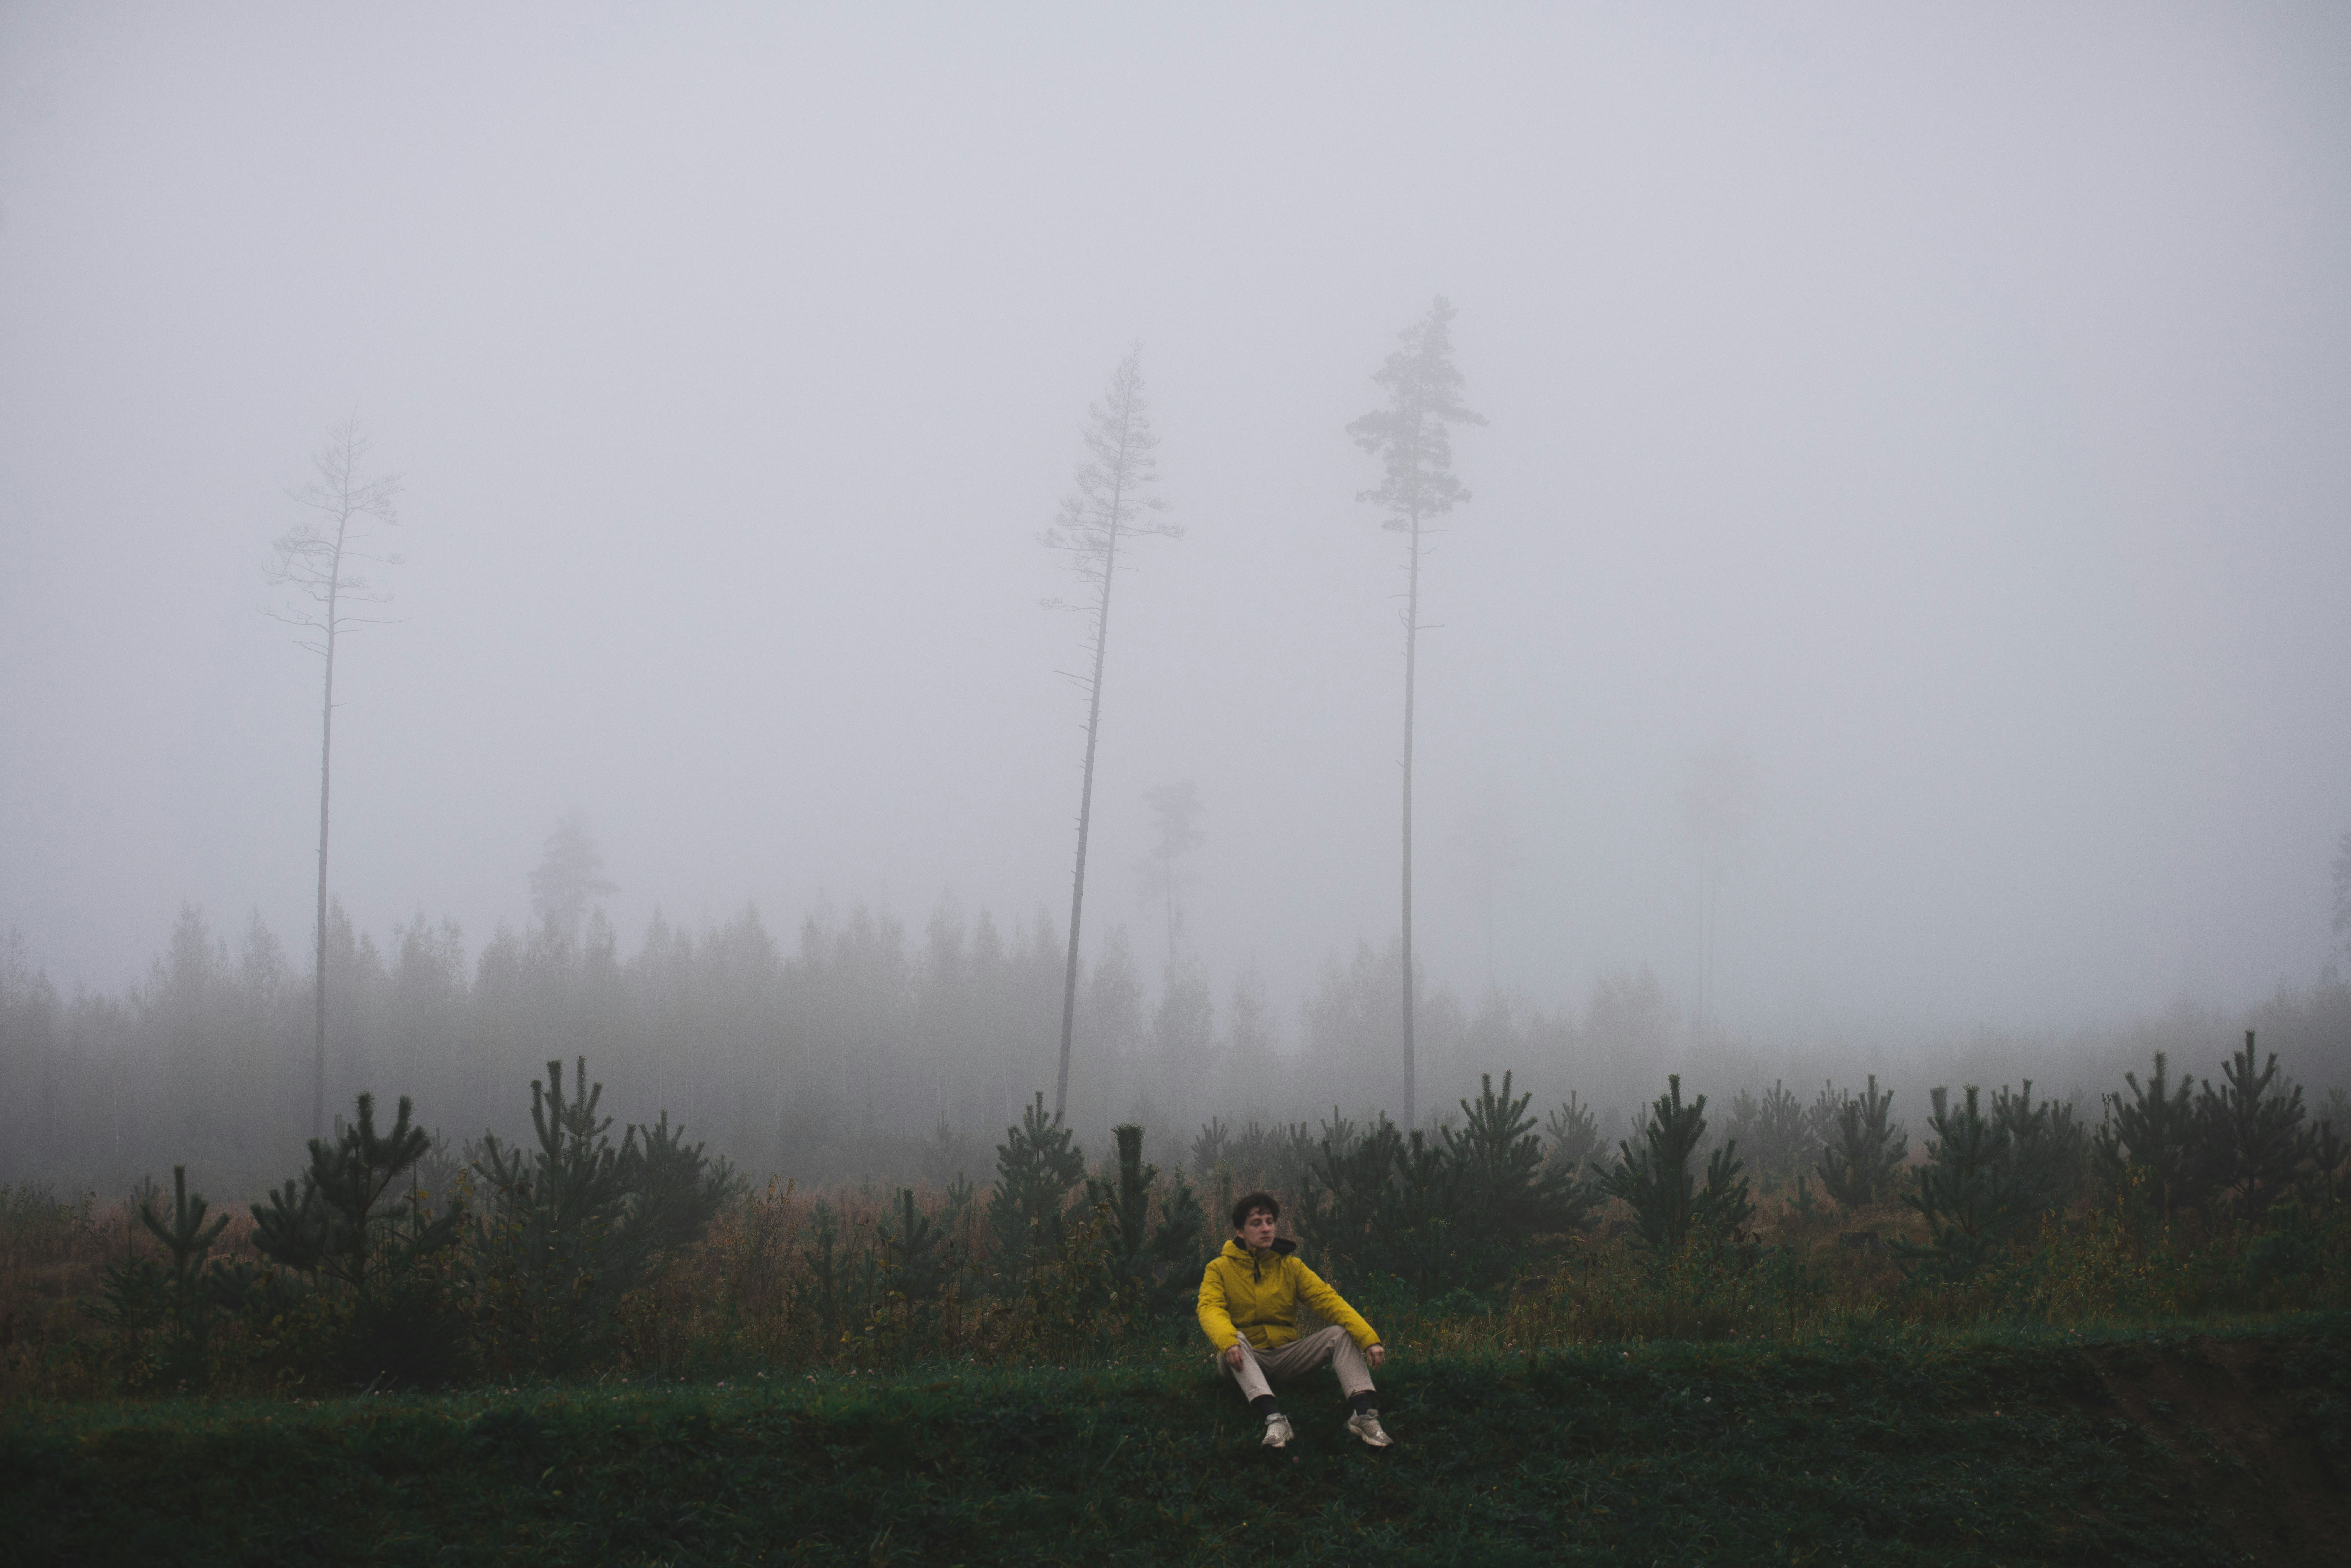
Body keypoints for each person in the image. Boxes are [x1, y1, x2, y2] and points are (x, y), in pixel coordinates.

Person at [1196, 1189, 1392, 1449]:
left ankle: (1363, 1416)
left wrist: (1368, 1339)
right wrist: (1228, 1341)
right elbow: (1210, 1308)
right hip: (1243, 1356)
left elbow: (1329, 1301)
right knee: (1235, 1339)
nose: (1266, 1228)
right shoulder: (1219, 1268)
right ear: (1240, 1232)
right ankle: (1274, 1419)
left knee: (1340, 1333)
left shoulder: (1291, 1266)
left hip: (1287, 1355)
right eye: (1256, 1223)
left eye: (1270, 1222)